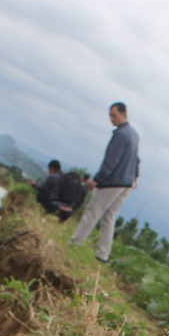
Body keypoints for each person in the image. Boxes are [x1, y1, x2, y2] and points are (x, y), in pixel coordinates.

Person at [69, 102, 139, 262]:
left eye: (114, 115)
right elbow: (136, 159)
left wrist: (97, 179)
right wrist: (135, 177)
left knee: (92, 211)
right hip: (126, 183)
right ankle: (103, 254)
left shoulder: (121, 135)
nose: (111, 119)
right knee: (109, 216)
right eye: (110, 115)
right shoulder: (133, 134)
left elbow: (111, 161)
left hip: (114, 181)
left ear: (123, 114)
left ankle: (75, 242)